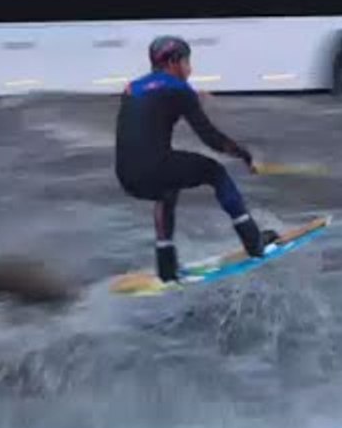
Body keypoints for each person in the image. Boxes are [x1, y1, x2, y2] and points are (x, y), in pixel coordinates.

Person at [115, 36, 279, 281]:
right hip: (154, 168)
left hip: (126, 175)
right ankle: (254, 242)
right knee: (215, 172)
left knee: (167, 189)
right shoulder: (179, 89)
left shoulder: (132, 88)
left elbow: (154, 106)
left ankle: (166, 266)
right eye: (187, 62)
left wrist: (191, 98)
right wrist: (244, 155)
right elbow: (211, 139)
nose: (190, 69)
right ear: (173, 62)